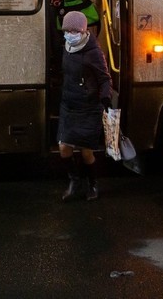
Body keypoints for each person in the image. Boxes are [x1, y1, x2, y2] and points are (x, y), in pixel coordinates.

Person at [57, 11, 112, 202]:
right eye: (67, 30)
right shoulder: (67, 46)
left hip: (88, 107)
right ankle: (74, 182)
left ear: (83, 30)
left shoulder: (93, 52)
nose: (69, 33)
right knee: (64, 148)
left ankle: (93, 183)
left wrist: (105, 98)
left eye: (74, 30)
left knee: (86, 151)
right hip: (69, 105)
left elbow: (105, 79)